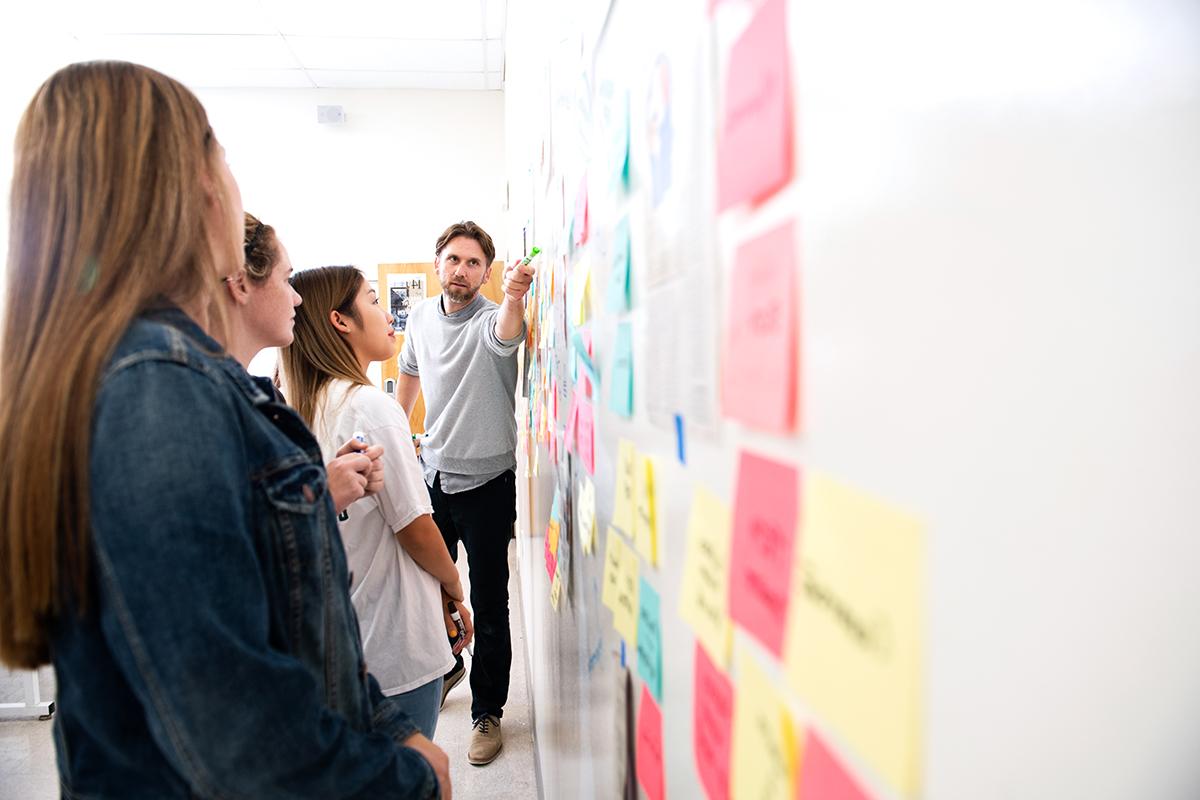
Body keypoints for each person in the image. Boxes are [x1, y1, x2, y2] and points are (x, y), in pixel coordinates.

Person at [0, 61, 450, 799]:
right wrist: (401, 776)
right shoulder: (156, 389)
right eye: (222, 154)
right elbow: (232, 722)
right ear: (186, 187)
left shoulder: (174, 377)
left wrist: (388, 728)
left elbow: (303, 635)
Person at [280, 265, 473, 740]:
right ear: (340, 321)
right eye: (371, 300)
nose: (387, 315)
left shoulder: (299, 406)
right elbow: (415, 527)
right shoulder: (369, 405)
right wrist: (454, 586)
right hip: (394, 644)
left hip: (343, 643)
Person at [397, 221, 535, 765]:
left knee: (490, 601)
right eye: (454, 259)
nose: (462, 270)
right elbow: (407, 373)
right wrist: (398, 431)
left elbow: (505, 332)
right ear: (437, 264)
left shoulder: (489, 318)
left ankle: (488, 711)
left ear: (486, 272)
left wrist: (515, 296)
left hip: (487, 485)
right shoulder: (422, 318)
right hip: (434, 474)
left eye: (474, 263)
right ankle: (447, 666)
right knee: (430, 591)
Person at [228, 212, 386, 514]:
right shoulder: (211, 404)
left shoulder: (259, 398)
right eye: (287, 280)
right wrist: (322, 498)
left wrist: (328, 480)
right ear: (241, 284)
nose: (297, 299)